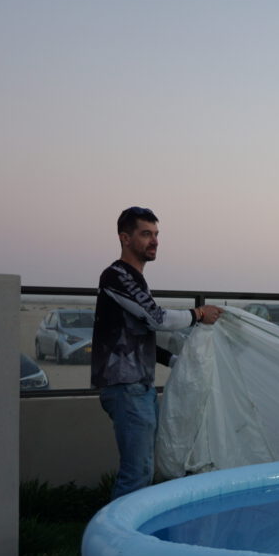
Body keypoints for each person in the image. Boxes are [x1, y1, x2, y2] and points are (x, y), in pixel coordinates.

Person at [92, 206, 224, 499]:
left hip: (139, 387)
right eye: (145, 234)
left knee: (143, 469)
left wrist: (176, 361)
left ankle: (125, 536)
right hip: (126, 389)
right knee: (136, 473)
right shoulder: (116, 276)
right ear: (125, 238)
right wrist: (199, 313)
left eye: (156, 234)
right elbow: (157, 319)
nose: (154, 241)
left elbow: (136, 340)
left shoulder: (134, 279)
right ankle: (115, 540)